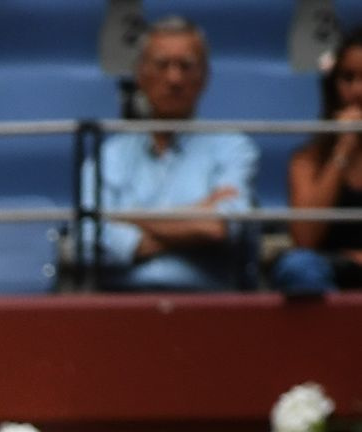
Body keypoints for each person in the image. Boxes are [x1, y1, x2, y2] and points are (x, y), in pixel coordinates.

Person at [89, 17, 257, 292]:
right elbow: (88, 235)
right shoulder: (111, 155)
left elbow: (219, 227)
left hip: (206, 306)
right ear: (140, 75)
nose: (174, 79)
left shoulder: (234, 148)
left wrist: (128, 217)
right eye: (162, 65)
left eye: (186, 66)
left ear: (205, 76)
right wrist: (196, 215)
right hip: (123, 306)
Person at [273, 26, 362, 297]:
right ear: (332, 86)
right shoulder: (307, 160)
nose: (358, 90)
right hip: (330, 272)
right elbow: (305, 238)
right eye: (348, 78)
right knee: (296, 267)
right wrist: (343, 148)